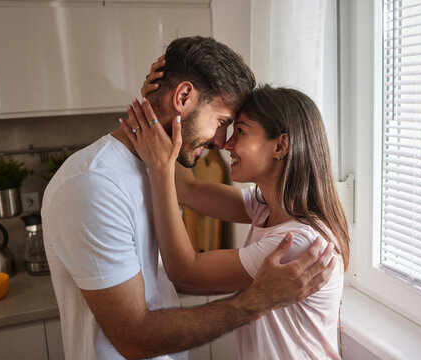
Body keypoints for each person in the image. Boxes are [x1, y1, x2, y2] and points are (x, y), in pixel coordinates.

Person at [41, 36, 335, 360]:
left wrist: (153, 105)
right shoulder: (93, 186)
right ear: (182, 96)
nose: (222, 143)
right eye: (223, 123)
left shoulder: (157, 167)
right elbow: (135, 337)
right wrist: (255, 301)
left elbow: (187, 194)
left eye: (236, 129)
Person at [121, 84, 350, 359]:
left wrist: (160, 168)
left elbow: (184, 269)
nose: (227, 143)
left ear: (281, 145)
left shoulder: (294, 243)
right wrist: (167, 107)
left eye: (240, 131)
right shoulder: (265, 207)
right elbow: (188, 190)